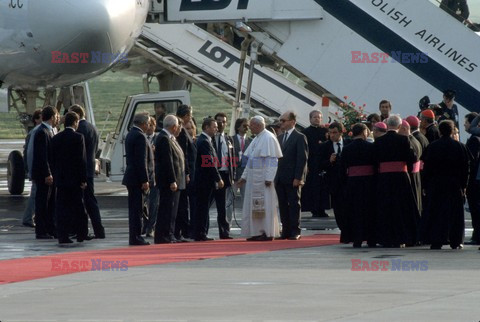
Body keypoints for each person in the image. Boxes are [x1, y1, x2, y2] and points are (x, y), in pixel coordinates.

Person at [422, 120, 469, 249]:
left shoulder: (432, 147)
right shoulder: (460, 146)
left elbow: (427, 168)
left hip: (436, 184)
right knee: (455, 214)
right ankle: (456, 240)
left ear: (440, 131)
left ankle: (436, 239)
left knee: (436, 212)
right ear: (453, 130)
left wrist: (425, 185)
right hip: (454, 184)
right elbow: (466, 168)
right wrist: (464, 185)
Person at [374, 115, 419, 248]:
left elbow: (374, 159)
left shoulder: (379, 141)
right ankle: (403, 237)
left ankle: (385, 238)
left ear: (387, 125)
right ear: (399, 127)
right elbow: (413, 157)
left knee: (385, 208)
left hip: (384, 179)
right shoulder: (404, 140)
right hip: (400, 178)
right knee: (402, 208)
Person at [237, 116, 283, 241]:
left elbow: (273, 160)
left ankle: (266, 232)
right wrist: (244, 177)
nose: (249, 128)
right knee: (254, 207)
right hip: (254, 179)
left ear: (257, 125)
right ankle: (257, 231)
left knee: (265, 206)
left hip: (263, 180)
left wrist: (269, 177)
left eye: (251, 125)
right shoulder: (257, 139)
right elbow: (250, 161)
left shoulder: (268, 137)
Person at [51, 112, 88, 244]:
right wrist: (83, 179)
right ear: (75, 122)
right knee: (79, 207)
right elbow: (81, 160)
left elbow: (52, 159)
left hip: (61, 179)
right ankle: (81, 234)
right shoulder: (78, 138)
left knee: (62, 208)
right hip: (75, 180)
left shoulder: (56, 138)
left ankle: (63, 235)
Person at [69, 105, 105, 239]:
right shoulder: (92, 127)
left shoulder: (80, 129)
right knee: (90, 201)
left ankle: (83, 231)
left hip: (83, 171)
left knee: (85, 202)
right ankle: (98, 230)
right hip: (90, 168)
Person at [340, 123, 376, 248]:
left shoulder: (346, 149)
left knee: (355, 212)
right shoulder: (371, 147)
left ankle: (356, 239)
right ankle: (371, 239)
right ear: (364, 132)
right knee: (369, 211)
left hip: (353, 184)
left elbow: (342, 169)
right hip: (369, 183)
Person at [275, 111, 308, 240]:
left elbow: (302, 159)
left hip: (293, 177)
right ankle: (286, 230)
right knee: (282, 204)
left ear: (292, 122)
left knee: (294, 204)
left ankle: (295, 230)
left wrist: (298, 177)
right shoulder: (279, 138)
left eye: (284, 120)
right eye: (280, 121)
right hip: (280, 177)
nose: (281, 123)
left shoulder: (299, 137)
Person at [122, 113, 153, 246]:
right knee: (137, 210)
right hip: (136, 178)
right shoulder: (140, 136)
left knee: (134, 209)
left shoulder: (131, 133)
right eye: (148, 123)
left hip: (131, 177)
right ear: (144, 123)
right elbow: (141, 161)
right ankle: (136, 237)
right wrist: (145, 180)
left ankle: (134, 236)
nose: (149, 126)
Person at [154, 115, 186, 244]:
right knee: (167, 209)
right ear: (173, 127)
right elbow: (168, 162)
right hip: (169, 181)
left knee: (171, 209)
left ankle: (169, 234)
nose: (179, 128)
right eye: (178, 125)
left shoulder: (169, 138)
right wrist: (172, 180)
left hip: (174, 180)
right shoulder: (164, 138)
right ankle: (164, 235)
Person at [193, 118, 224, 241]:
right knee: (203, 207)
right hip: (204, 181)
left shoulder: (207, 140)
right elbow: (209, 162)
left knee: (204, 207)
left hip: (206, 180)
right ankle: (201, 233)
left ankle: (201, 231)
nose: (216, 129)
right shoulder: (204, 141)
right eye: (214, 127)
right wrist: (218, 178)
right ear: (206, 127)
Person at [318, 122, 350, 241]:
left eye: (334, 133)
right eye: (330, 133)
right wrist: (329, 161)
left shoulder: (348, 143)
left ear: (341, 132)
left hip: (349, 181)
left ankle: (350, 231)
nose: (332, 135)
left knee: (349, 208)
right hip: (334, 183)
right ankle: (344, 231)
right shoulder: (324, 147)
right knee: (338, 209)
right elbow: (319, 165)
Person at [31, 106, 58, 239]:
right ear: (52, 117)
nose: (58, 118)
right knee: (42, 202)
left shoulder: (50, 131)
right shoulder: (42, 132)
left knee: (50, 202)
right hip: (44, 175)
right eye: (56, 116)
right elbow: (42, 156)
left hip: (50, 173)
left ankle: (50, 228)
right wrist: (47, 174)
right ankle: (41, 230)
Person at [212, 112, 235, 239]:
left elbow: (232, 158)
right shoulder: (210, 138)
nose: (221, 123)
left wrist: (233, 174)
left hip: (225, 174)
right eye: (218, 121)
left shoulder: (228, 139)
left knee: (223, 206)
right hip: (213, 174)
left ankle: (224, 232)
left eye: (223, 121)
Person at [301, 110, 329, 218]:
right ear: (310, 119)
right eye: (315, 117)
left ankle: (322, 208)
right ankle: (314, 209)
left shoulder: (325, 131)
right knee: (313, 187)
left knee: (323, 187)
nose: (317, 119)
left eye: (319, 117)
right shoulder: (305, 132)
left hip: (323, 163)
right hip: (312, 163)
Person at [175, 105, 195, 241]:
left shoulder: (183, 131)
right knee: (182, 204)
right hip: (184, 173)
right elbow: (184, 154)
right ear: (186, 115)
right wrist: (187, 173)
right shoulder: (181, 132)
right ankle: (181, 231)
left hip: (187, 171)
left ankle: (184, 230)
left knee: (183, 204)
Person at [23, 109, 42, 228]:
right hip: (35, 169)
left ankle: (30, 217)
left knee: (36, 194)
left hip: (34, 169)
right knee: (35, 194)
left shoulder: (36, 132)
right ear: (35, 120)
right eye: (40, 117)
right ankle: (28, 217)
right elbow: (29, 153)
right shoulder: (34, 133)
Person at [229, 118, 252, 220]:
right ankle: (227, 224)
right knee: (229, 201)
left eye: (248, 125)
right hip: (233, 176)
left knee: (246, 201)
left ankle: (246, 223)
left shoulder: (251, 141)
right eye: (244, 125)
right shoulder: (230, 140)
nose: (247, 127)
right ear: (238, 127)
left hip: (246, 176)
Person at [464, 113, 480, 245]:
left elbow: (471, 128)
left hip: (477, 177)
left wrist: (479, 116)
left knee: (476, 207)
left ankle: (477, 235)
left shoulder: (475, 138)